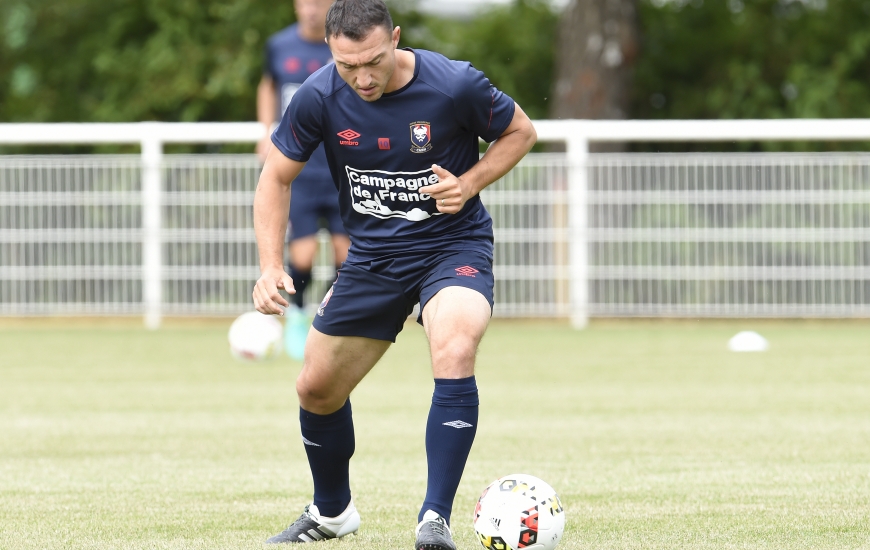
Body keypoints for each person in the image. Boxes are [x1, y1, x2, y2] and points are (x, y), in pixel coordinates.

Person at [252, 0, 536, 547]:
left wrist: (470, 182)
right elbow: (274, 179)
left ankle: (434, 520)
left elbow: (521, 131)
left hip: (451, 246)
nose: (362, 77)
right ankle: (333, 513)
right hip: (373, 259)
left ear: (395, 39)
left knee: (454, 347)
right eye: (347, 65)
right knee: (315, 389)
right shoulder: (317, 94)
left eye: (374, 62)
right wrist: (269, 266)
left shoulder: (454, 85)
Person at [256, 0, 351, 360]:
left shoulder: (344, 45)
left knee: (348, 256)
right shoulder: (279, 45)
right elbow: (268, 85)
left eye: (320, 2)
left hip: (341, 169)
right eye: (306, 2)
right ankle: (296, 315)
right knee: (304, 256)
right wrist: (265, 131)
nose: (312, 9)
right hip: (301, 171)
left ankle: (328, 320)